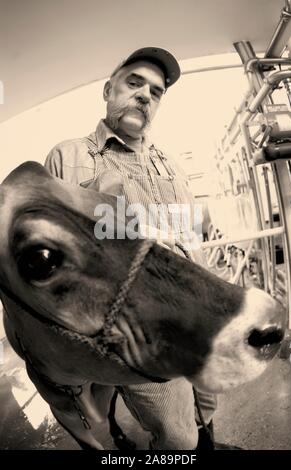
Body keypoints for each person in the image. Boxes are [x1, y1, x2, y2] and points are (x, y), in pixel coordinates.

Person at [45, 46, 217, 450]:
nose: (144, 95)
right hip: (133, 331)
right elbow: (57, 254)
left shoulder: (170, 163)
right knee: (178, 437)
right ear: (108, 90)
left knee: (208, 403)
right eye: (134, 83)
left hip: (194, 313)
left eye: (156, 92)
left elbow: (189, 232)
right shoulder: (67, 157)